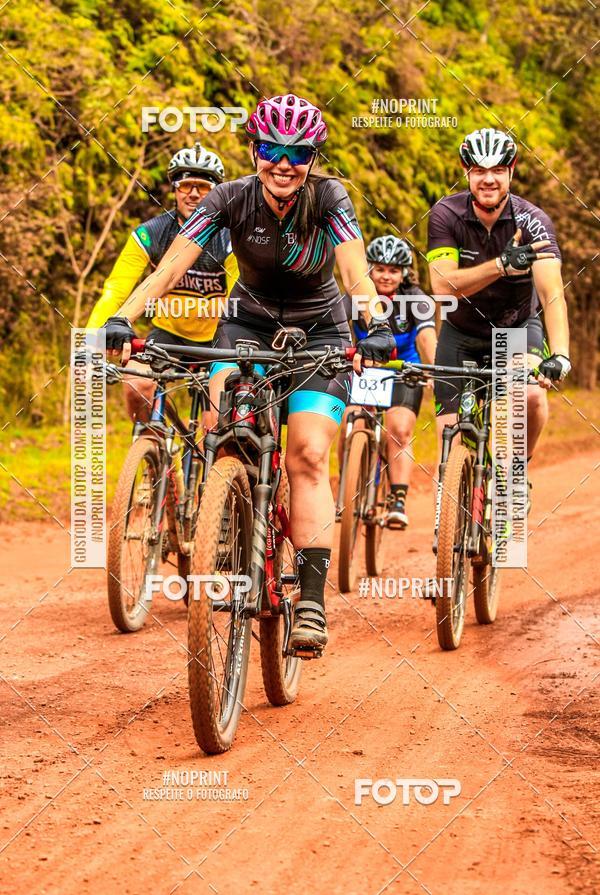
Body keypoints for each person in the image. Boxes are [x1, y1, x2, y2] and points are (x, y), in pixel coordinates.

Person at [102, 94, 396, 655]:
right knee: (220, 424)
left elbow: (357, 271)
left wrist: (374, 324)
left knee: (309, 453)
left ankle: (309, 601)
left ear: (313, 157)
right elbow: (169, 267)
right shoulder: (229, 198)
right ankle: (227, 523)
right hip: (247, 323)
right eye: (271, 150)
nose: (283, 164)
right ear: (254, 150)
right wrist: (123, 317)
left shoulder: (330, 197)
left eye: (298, 153)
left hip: (322, 330)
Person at [426, 127, 570, 510]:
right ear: (466, 172)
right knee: (450, 445)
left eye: (497, 170)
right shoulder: (445, 215)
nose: (488, 178)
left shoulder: (533, 221)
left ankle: (517, 470)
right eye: (478, 170)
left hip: (516, 329)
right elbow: (442, 286)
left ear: (511, 172)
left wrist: (561, 354)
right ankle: (459, 530)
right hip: (461, 332)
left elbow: (551, 293)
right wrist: (502, 266)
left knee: (533, 395)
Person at [88, 142, 238, 422]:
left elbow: (237, 296)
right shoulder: (151, 233)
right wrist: (91, 339)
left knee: (214, 425)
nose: (193, 194)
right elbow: (115, 290)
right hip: (167, 334)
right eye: (186, 185)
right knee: (137, 384)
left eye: (203, 187)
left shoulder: (229, 238)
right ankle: (152, 446)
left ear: (216, 193)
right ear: (174, 190)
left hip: (215, 338)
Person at [338, 235, 436, 528]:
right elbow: (340, 334)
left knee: (399, 429)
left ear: (404, 273)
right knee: (349, 422)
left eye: (394, 270)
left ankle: (397, 499)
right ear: (369, 269)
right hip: (364, 367)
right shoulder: (355, 296)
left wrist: (433, 370)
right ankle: (348, 490)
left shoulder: (416, 299)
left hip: (404, 369)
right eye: (380, 268)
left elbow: (427, 337)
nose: (386, 275)